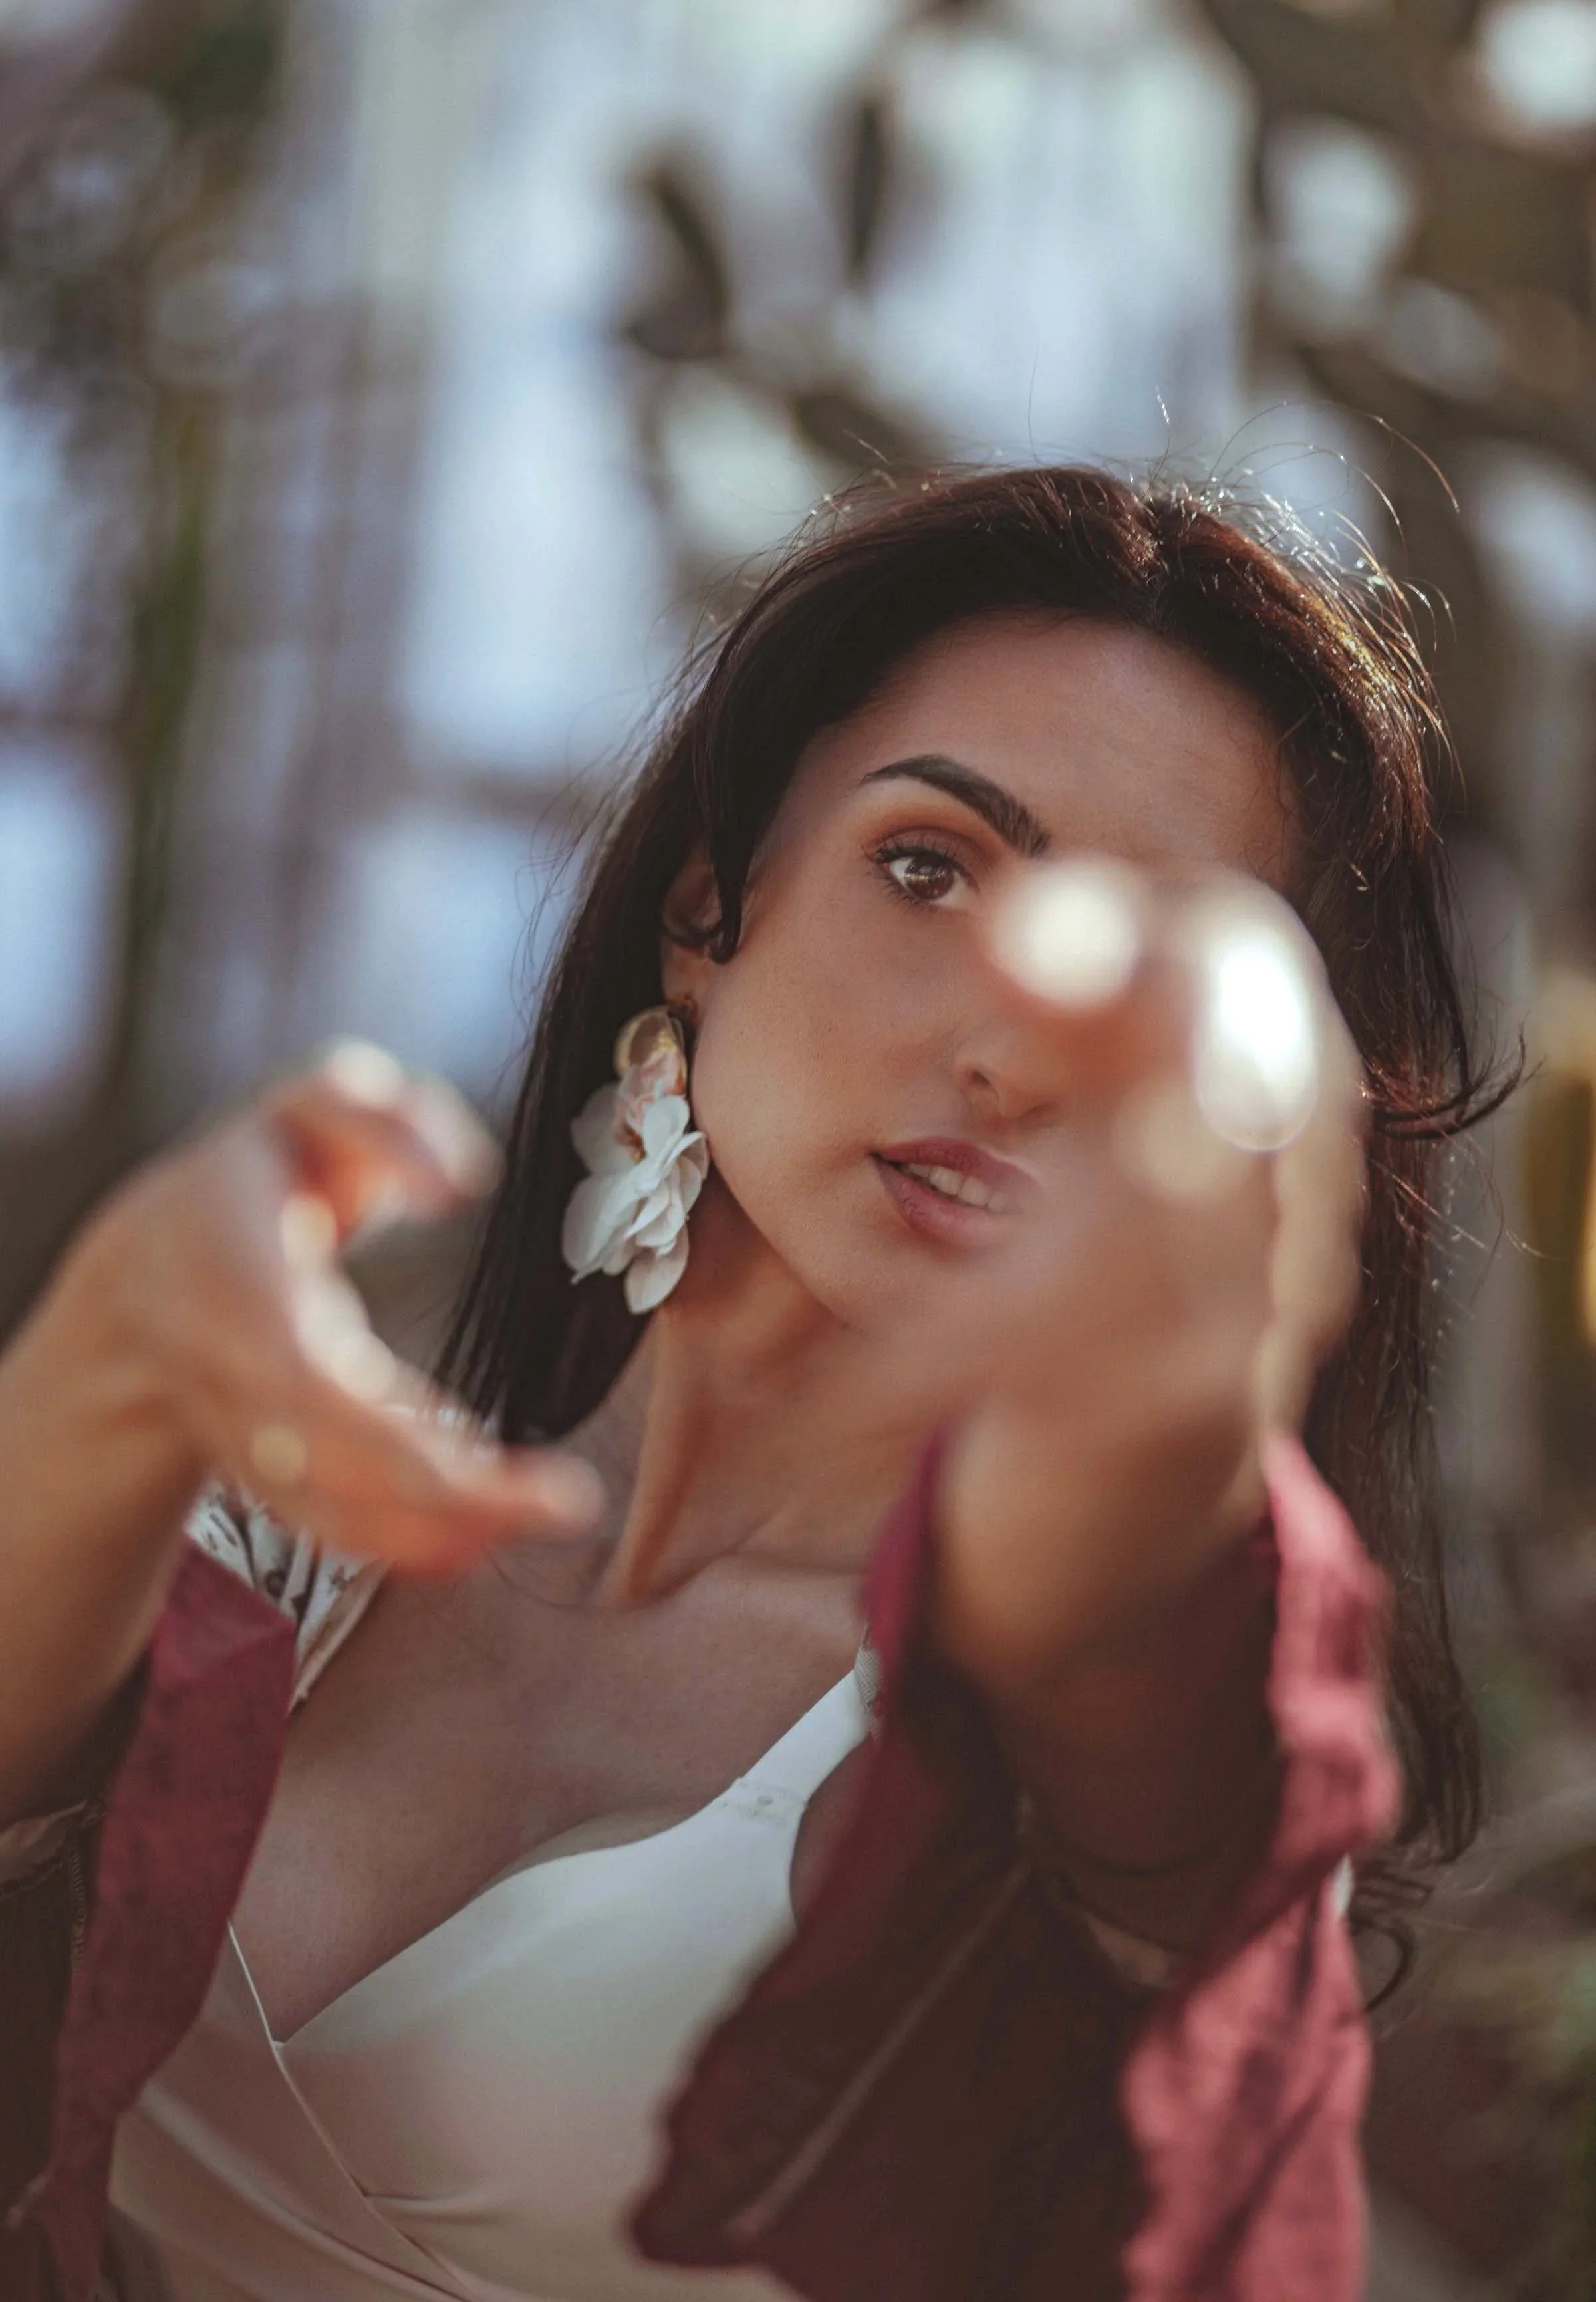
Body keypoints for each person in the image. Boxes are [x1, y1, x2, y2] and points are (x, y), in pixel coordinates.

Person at [0, 467, 1494, 2302]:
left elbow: (1171, 1732)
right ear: (713, 913)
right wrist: (113, 1356)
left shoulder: (1082, 1746)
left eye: (1139, 975)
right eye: (931, 868)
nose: (1011, 1042)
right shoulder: (291, 1536)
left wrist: (1154, 1460)